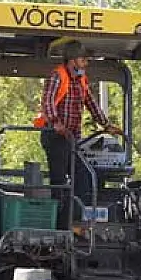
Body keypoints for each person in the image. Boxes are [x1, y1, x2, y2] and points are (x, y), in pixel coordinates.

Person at [34, 41, 123, 228]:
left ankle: (75, 219)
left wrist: (106, 125)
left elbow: (91, 103)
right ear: (73, 61)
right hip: (55, 136)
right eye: (83, 60)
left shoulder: (81, 80)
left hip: (72, 138)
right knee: (59, 179)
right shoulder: (58, 76)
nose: (86, 64)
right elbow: (47, 101)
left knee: (83, 176)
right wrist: (55, 122)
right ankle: (58, 223)